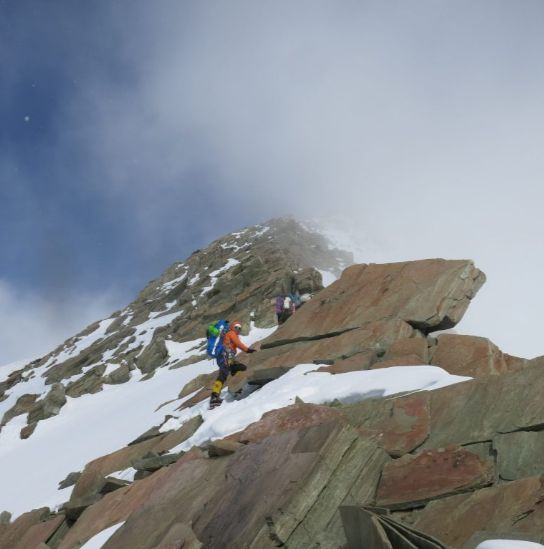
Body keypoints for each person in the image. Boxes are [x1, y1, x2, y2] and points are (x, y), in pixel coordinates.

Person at [210, 320, 256, 407]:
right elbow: (238, 344)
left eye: (239, 328)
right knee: (223, 375)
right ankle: (214, 396)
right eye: (236, 327)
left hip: (227, 358)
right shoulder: (231, 333)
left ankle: (236, 387)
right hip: (225, 357)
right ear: (232, 327)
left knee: (237, 368)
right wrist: (248, 350)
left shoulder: (230, 334)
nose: (238, 329)